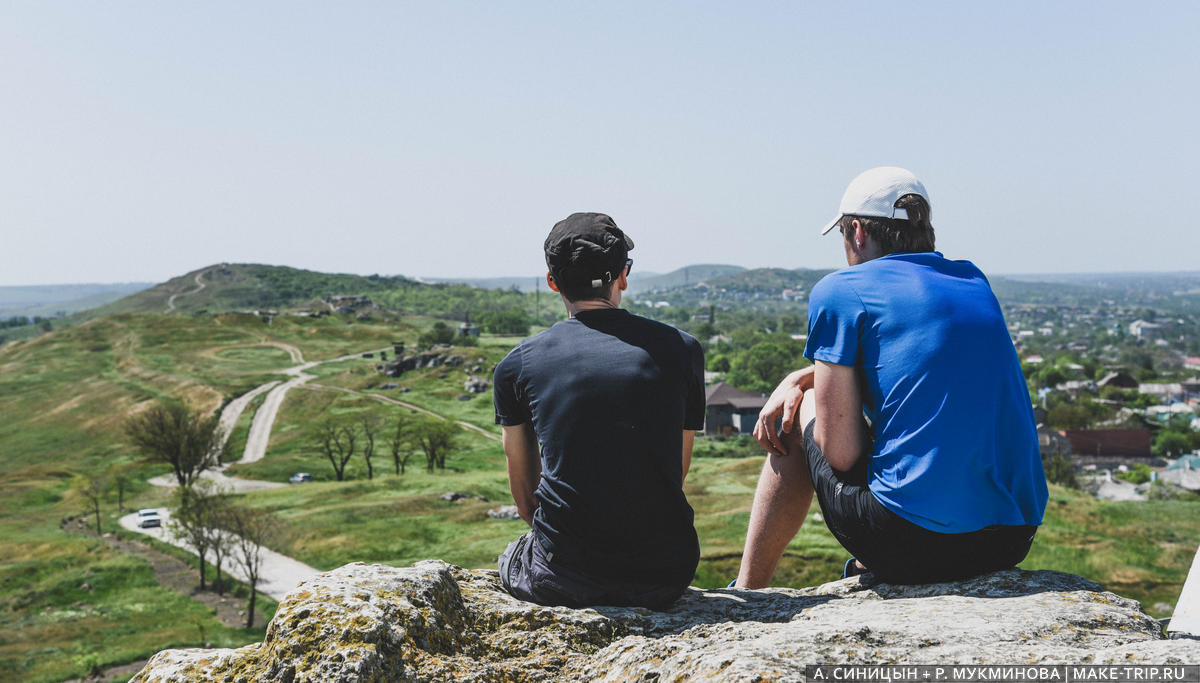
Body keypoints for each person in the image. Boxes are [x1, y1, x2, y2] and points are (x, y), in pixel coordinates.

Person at [735, 167, 1048, 588]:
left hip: (910, 540)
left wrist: (801, 386)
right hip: (1009, 540)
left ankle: (748, 591)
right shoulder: (973, 279)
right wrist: (805, 374)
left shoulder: (840, 290)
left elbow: (841, 454)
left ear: (858, 232)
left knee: (800, 410)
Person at [493, 212, 706, 608]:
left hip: (561, 577)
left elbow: (525, 502)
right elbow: (672, 473)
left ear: (552, 282)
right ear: (622, 276)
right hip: (665, 574)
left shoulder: (516, 365)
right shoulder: (683, 350)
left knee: (512, 555)